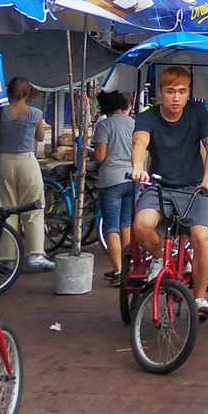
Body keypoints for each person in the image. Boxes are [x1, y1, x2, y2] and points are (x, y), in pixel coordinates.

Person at [131, 66, 208, 320]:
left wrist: (207, 178)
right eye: (170, 91)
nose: (176, 97)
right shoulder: (148, 117)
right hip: (159, 187)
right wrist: (138, 167)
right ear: (160, 92)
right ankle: (164, 257)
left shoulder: (198, 112)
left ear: (188, 93)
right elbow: (140, 142)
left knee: (200, 236)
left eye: (182, 91)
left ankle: (200, 296)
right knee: (142, 226)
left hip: (194, 187)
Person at [0, 77, 51, 272]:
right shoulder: (35, 113)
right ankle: (35, 254)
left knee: (6, 208)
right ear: (27, 94)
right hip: (27, 161)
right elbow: (40, 137)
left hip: (3, 161)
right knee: (33, 207)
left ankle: (7, 258)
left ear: (8, 92)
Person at [91, 91, 136, 284]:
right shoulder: (134, 124)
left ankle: (118, 270)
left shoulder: (104, 125)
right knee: (126, 224)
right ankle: (128, 268)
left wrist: (90, 153)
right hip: (132, 178)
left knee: (111, 226)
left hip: (111, 180)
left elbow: (100, 156)